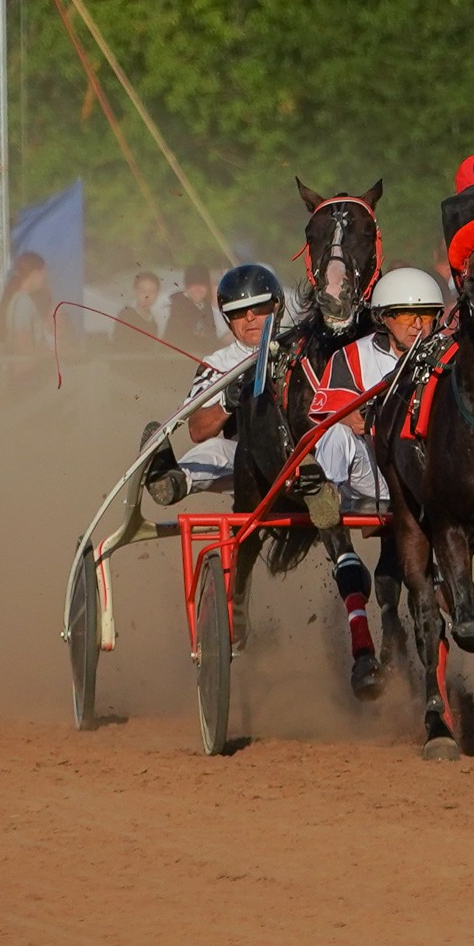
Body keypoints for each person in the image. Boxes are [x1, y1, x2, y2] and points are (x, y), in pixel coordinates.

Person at [294, 266, 445, 698]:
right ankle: (325, 490)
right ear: (383, 317)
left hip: (426, 473)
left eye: (427, 315)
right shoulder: (353, 357)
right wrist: (353, 417)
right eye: (405, 315)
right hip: (370, 472)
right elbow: (328, 411)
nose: (418, 325)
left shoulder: (446, 356)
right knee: (334, 432)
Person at [142, 264, 284, 505]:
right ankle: (176, 480)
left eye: (258, 308)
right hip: (248, 463)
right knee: (217, 448)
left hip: (304, 456)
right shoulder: (217, 363)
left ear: (275, 307)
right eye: (238, 312)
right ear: (228, 319)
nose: (249, 317)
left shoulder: (300, 348)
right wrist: (226, 404)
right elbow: (197, 430)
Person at [165, 267, 222, 358]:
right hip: (178, 358)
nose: (198, 289)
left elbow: (212, 337)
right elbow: (177, 339)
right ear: (186, 286)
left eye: (202, 284)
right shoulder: (178, 306)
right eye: (193, 284)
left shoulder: (206, 307)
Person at [117, 271, 165, 342]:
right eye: (143, 291)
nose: (147, 296)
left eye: (152, 292)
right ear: (135, 292)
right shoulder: (126, 316)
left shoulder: (152, 321)